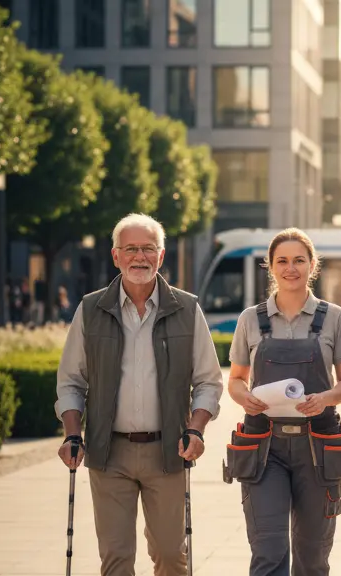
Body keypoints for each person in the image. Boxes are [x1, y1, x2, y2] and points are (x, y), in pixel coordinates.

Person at [54, 213, 224, 576]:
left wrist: (196, 430)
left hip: (168, 452)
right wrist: (72, 433)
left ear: (161, 256)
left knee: (169, 555)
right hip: (108, 452)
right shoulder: (90, 309)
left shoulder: (187, 309)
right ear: (116, 255)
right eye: (131, 248)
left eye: (148, 249)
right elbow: (71, 381)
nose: (139, 257)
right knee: (115, 559)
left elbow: (209, 381)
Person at [225, 228, 341, 575]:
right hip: (263, 448)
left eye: (299, 260)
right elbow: (236, 380)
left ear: (312, 265)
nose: (291, 268)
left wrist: (325, 399)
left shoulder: (334, 318)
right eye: (282, 261)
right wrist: (246, 399)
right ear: (270, 267)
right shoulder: (250, 320)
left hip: (318, 447)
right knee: (268, 552)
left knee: (313, 557)